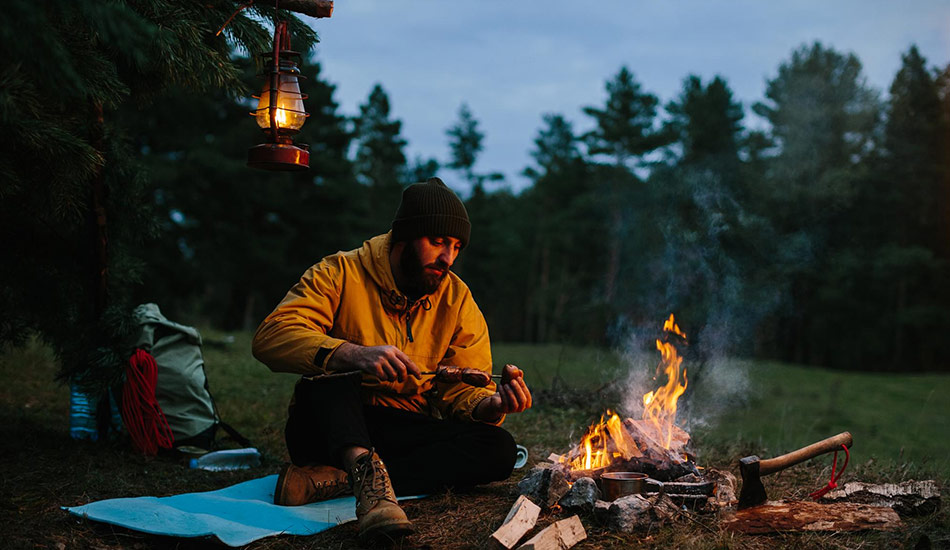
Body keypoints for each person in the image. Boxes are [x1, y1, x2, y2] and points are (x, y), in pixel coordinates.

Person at [251, 177, 532, 543]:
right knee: (332, 376)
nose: (448, 258)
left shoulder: (457, 300)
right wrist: (351, 353)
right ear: (405, 235)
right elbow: (270, 337)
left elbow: (460, 392)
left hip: (401, 430)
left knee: (499, 449)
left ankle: (340, 480)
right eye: (438, 241)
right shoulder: (340, 272)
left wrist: (490, 406)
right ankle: (366, 478)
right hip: (328, 426)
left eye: (456, 247)